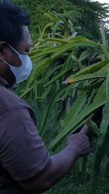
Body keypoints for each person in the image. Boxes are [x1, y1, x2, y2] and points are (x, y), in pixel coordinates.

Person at [0, 1, 91, 193]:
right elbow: (40, 178)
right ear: (3, 51)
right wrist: (74, 148)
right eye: (26, 51)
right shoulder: (9, 110)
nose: (27, 59)